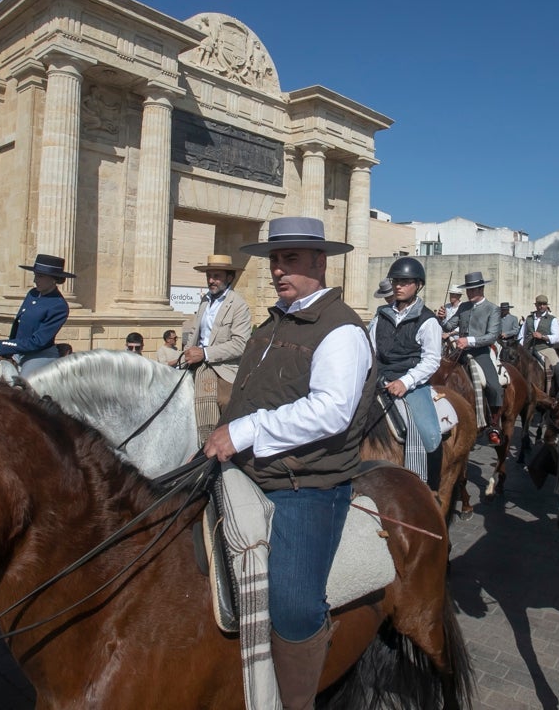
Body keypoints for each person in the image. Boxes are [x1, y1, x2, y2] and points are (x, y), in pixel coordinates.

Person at [203, 216, 373, 709]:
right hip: (249, 468)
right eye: (276, 259)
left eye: (292, 259)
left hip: (307, 484)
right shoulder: (272, 320)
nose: (279, 269)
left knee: (294, 607)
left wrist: (243, 430)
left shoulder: (340, 330)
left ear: (321, 262)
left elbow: (331, 410)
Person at [367, 256, 443, 491]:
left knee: (430, 435)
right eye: (396, 281)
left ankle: (431, 489)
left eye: (405, 281)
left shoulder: (428, 321)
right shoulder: (381, 314)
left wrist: (405, 381)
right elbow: (371, 349)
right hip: (378, 378)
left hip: (410, 382)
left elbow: (432, 360)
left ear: (418, 285)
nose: (398, 285)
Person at [180, 254, 252, 442]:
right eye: (209, 275)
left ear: (229, 278)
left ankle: (222, 444)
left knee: (225, 401)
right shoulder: (205, 300)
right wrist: (184, 355)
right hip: (195, 360)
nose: (211, 280)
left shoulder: (238, 305)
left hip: (224, 368)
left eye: (216, 276)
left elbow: (240, 344)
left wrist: (204, 353)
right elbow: (195, 332)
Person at [0, 254, 74, 378]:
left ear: (54, 279)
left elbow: (38, 342)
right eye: (35, 275)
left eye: (40, 276)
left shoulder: (58, 305)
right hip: (17, 351)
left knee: (25, 384)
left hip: (39, 354)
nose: (35, 280)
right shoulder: (32, 294)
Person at [442, 271, 504, 444]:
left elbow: (492, 336)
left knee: (493, 386)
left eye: (473, 289)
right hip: (459, 352)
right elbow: (449, 325)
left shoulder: (493, 309)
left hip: (480, 352)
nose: (470, 293)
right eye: (468, 290)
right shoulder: (463, 307)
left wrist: (469, 340)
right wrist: (441, 318)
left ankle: (493, 423)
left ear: (481, 289)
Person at [519, 293, 559, 391]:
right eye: (539, 304)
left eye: (543, 304)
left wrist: (543, 337)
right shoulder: (528, 318)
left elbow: (557, 337)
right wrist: (520, 349)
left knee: (558, 368)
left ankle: (558, 392)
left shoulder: (552, 319)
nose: (541, 306)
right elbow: (521, 335)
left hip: (545, 349)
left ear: (547, 305)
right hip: (527, 349)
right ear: (535, 305)